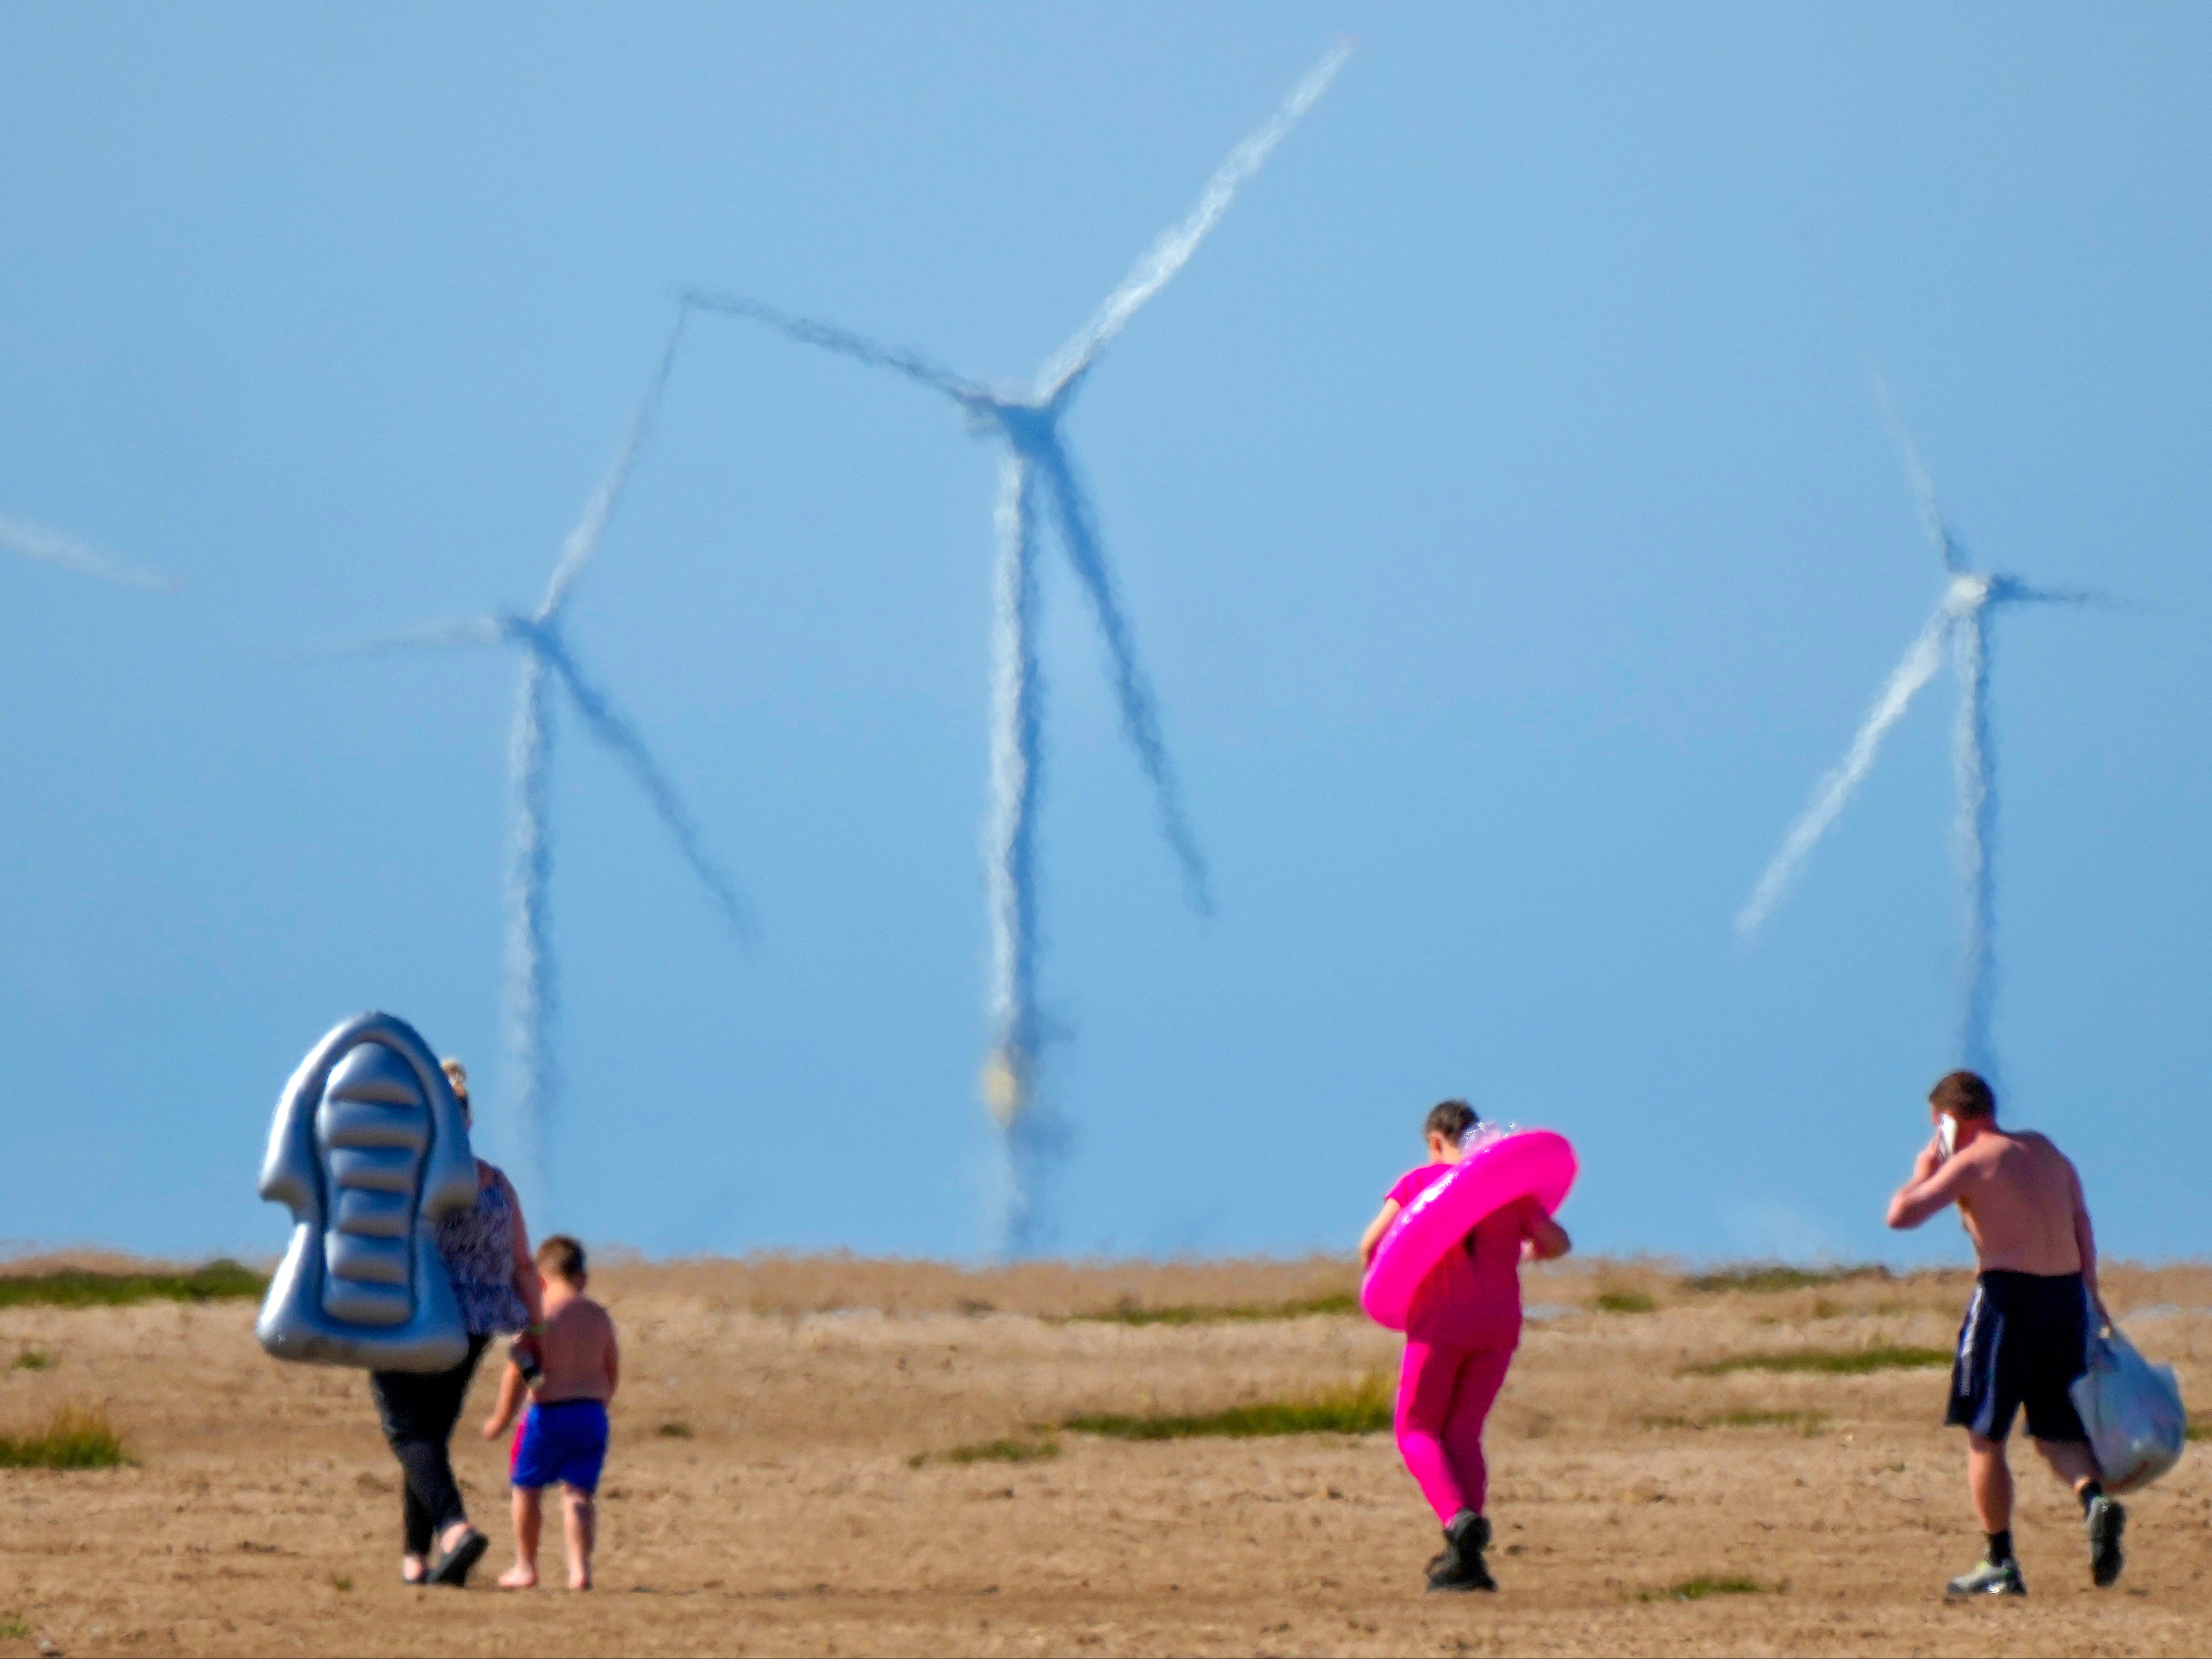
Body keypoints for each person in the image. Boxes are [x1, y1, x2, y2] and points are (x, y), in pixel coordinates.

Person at [1885, 1069, 2124, 1597]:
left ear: (1950, 1120)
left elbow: (1900, 1216)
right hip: (2064, 1296)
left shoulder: (1970, 1164)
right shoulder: (2043, 1150)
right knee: (2056, 1431)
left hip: (2006, 1299)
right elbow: (2081, 1221)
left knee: (1985, 1436)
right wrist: (2091, 1294)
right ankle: (2093, 1499)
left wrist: (1927, 1168)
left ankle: (2000, 1561)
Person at [1358, 1099, 1571, 1592]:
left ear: (1436, 1141)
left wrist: (1395, 1284)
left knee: (1416, 1429)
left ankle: (1457, 1522)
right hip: (1498, 1326)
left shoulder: (1416, 1184)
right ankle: (1469, 1562)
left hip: (1439, 1322)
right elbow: (1558, 1242)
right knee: (1463, 1434)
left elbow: (1373, 1245)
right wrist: (1532, 1249)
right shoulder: (1509, 1188)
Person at [371, 1057, 542, 1588]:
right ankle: (416, 1559)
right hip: (474, 1327)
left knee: (406, 1431)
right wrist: (535, 1332)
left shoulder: (409, 1181)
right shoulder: (497, 1185)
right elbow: (522, 1265)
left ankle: (455, 1529)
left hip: (410, 1318)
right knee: (430, 1437)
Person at [482, 1234, 620, 1590]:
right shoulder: (599, 1316)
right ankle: (580, 1570)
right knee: (578, 1495)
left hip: (547, 1416)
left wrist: (499, 1419)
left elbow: (518, 1369)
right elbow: (611, 1368)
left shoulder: (537, 1317)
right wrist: (600, 1401)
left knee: (526, 1488)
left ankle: (526, 1566)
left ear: (539, 1279)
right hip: (591, 1414)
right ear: (583, 1278)